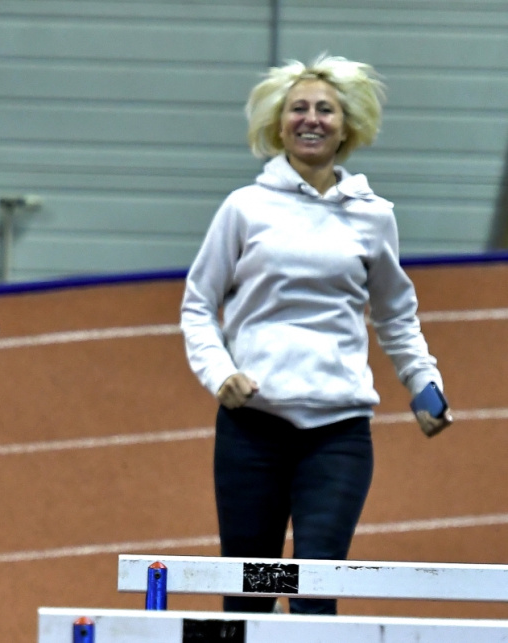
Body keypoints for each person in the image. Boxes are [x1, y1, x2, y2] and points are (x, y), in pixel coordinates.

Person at [179, 54, 454, 615]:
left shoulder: (373, 216)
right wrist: (220, 373)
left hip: (337, 434)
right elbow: (199, 305)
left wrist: (424, 383)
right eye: (298, 108)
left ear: (346, 126)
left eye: (325, 109)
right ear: (278, 124)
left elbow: (396, 315)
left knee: (313, 593)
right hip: (254, 428)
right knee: (251, 594)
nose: (311, 119)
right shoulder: (245, 208)